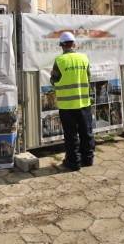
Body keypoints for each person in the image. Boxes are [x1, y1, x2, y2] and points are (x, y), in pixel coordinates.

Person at [49, 31, 94, 171]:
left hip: (67, 105)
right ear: (74, 44)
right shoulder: (84, 58)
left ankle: (73, 162)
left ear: (62, 46)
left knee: (71, 135)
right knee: (86, 132)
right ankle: (88, 159)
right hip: (84, 103)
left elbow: (53, 80)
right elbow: (89, 77)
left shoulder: (60, 61)